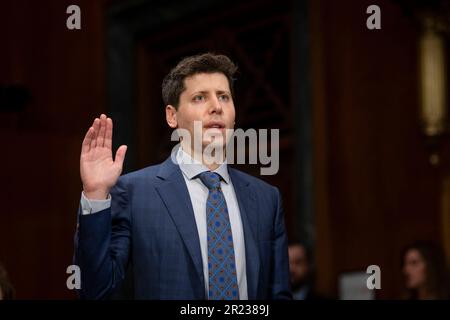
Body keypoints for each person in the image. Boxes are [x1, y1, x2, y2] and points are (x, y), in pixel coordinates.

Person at [74, 53, 291, 300]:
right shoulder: (132, 193)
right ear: (172, 116)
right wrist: (95, 195)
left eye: (224, 97)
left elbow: (279, 293)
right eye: (200, 98)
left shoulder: (266, 198)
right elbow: (96, 291)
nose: (216, 107)